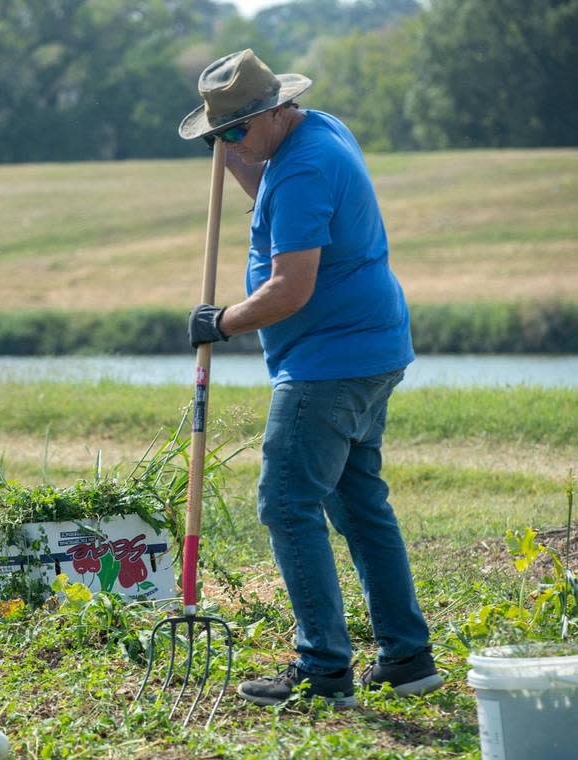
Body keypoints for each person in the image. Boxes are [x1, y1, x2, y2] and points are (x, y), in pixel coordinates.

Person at [180, 49, 442, 707]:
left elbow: (291, 288)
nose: (230, 144)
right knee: (358, 501)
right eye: (220, 136)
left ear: (272, 112)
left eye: (236, 130)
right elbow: (273, 195)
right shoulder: (317, 130)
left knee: (287, 502)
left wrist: (223, 322)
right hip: (370, 349)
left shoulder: (305, 169)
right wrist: (237, 152)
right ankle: (408, 659)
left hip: (330, 364)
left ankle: (323, 668)